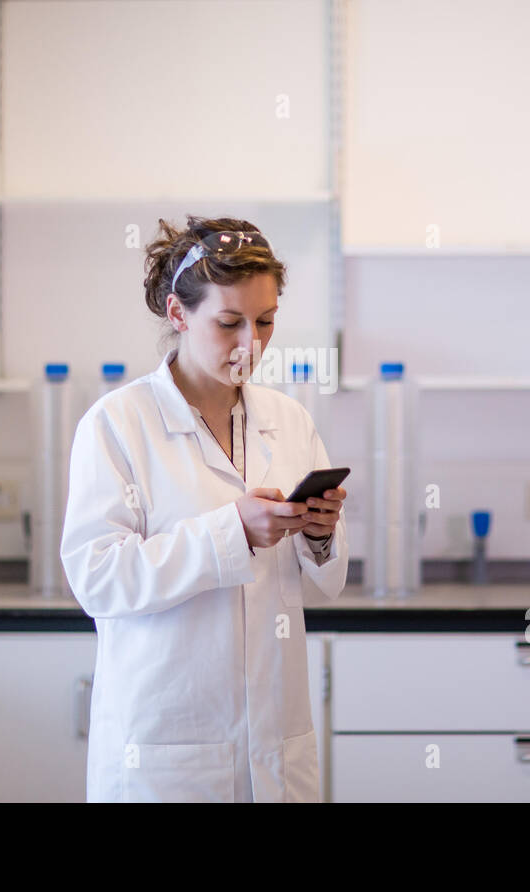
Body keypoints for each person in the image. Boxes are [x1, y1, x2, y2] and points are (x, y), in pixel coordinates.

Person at [60, 215, 348, 802]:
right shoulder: (119, 425)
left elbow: (319, 590)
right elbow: (98, 581)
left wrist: (318, 536)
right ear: (177, 314)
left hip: (276, 749)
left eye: (266, 322)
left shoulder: (287, 421)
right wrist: (231, 532)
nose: (252, 344)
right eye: (229, 323)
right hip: (168, 754)